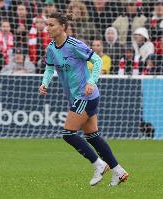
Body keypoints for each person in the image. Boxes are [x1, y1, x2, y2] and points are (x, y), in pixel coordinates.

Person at [39, 12, 129, 186]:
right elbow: (50, 69)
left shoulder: (74, 45)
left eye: (51, 25)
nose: (47, 28)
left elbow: (97, 61)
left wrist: (91, 82)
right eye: (47, 25)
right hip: (76, 97)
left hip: (85, 95)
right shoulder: (51, 48)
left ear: (62, 26)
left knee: (68, 133)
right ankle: (118, 171)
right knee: (92, 136)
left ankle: (99, 165)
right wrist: (45, 83)